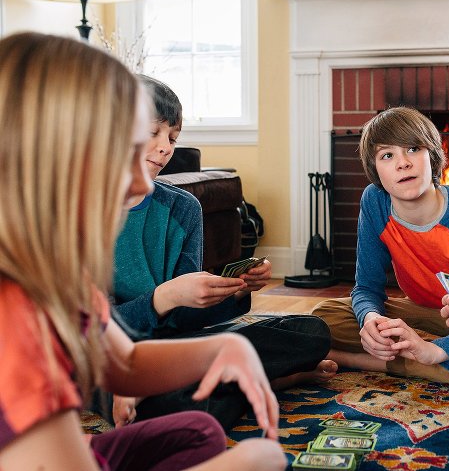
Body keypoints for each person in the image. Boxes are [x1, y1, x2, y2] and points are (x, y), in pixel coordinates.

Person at [0, 32, 285, 470]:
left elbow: (126, 360)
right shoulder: (15, 317)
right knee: (259, 457)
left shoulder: (56, 274)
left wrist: (225, 347)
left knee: (201, 432)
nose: (141, 183)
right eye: (129, 152)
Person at [110, 75, 336, 430]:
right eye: (153, 132)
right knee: (185, 410)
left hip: (178, 349)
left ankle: (221, 384)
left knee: (312, 332)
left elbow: (185, 321)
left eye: (172, 137)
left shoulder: (183, 209)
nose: (166, 147)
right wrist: (161, 298)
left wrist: (235, 290)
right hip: (111, 357)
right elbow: (86, 330)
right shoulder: (75, 213)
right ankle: (270, 381)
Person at [312, 106, 449, 387]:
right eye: (388, 155)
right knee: (324, 317)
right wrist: (370, 320)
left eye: (412, 148)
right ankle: (427, 350)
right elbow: (365, 287)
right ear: (376, 170)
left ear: (432, 155)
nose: (402, 163)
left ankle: (370, 361)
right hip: (421, 311)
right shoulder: (375, 202)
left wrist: (435, 350)